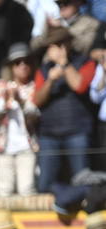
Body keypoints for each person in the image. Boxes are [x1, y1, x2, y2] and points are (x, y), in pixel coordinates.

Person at [32, 26, 95, 191]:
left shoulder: (85, 62)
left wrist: (65, 64)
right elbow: (37, 100)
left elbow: (79, 86)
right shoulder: (44, 69)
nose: (56, 49)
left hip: (77, 131)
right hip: (49, 134)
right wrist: (50, 81)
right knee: (45, 183)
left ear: (68, 43)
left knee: (82, 179)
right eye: (52, 45)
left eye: (59, 44)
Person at [0, 43, 40, 198]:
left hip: (27, 146)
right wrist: (5, 102)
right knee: (4, 191)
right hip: (2, 146)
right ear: (11, 66)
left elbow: (36, 116)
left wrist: (21, 101)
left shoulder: (35, 86)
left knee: (27, 190)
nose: (22, 66)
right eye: (17, 62)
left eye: (26, 61)